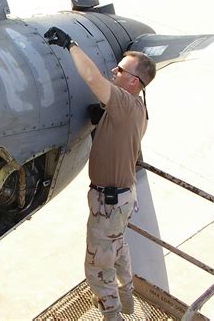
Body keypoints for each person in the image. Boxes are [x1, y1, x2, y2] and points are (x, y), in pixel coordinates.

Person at [44, 26, 156, 321]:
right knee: (117, 248)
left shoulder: (123, 102)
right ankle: (128, 298)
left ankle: (113, 315)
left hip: (109, 203)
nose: (113, 71)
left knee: (96, 268)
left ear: (133, 82)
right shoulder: (139, 110)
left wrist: (71, 45)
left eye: (119, 70)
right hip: (122, 198)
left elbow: (92, 78)